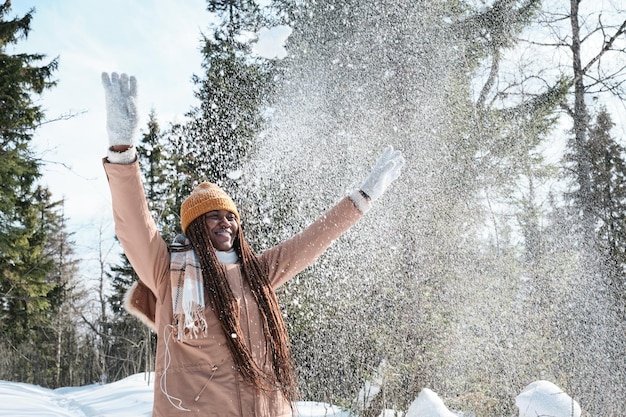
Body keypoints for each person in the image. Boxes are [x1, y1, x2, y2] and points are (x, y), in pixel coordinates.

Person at [101, 72, 405, 417]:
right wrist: (122, 152)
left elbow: (313, 240)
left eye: (230, 216)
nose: (224, 223)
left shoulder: (256, 273)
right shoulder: (168, 272)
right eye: (212, 216)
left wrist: (361, 199)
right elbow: (134, 226)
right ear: (195, 227)